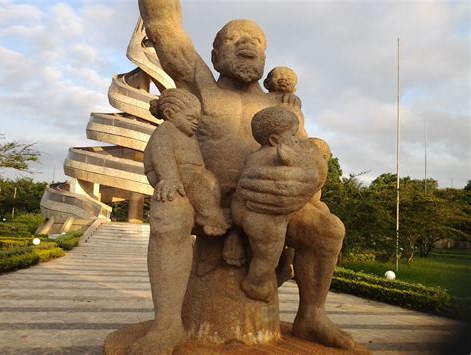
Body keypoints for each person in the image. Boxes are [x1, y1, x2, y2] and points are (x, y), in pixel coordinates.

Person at [136, 0, 355, 352]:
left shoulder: (281, 108)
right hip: (204, 200)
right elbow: (163, 25)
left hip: (266, 203)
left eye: (256, 39)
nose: (246, 43)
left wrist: (307, 181)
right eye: (233, 38)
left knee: (327, 230)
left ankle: (312, 315)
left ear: (265, 56)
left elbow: (308, 158)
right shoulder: (200, 87)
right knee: (168, 211)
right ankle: (167, 325)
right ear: (215, 54)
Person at [231, 106, 318, 303]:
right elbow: (305, 169)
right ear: (275, 140)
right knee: (267, 257)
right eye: (293, 135)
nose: (296, 140)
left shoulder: (252, 157)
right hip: (267, 220)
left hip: (246, 213)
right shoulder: (281, 153)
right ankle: (255, 284)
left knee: (263, 254)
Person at [144, 88, 230, 237]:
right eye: (191, 119)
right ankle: (211, 217)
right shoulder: (166, 129)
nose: (195, 123)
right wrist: (169, 177)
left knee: (211, 181)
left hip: (194, 174)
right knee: (195, 181)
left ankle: (207, 212)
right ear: (170, 114)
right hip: (174, 173)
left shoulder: (190, 136)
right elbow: (162, 155)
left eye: (197, 119)